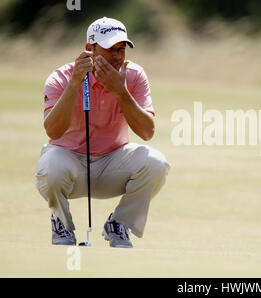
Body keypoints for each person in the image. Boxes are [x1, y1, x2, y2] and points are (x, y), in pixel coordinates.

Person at [35, 17, 170, 248]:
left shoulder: (134, 76)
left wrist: (120, 91)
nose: (117, 56)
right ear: (90, 49)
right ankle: (62, 224)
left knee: (156, 163)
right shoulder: (61, 77)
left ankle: (119, 223)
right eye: (110, 49)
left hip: (112, 164)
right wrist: (75, 83)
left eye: (121, 49)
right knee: (51, 164)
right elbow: (53, 131)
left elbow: (147, 132)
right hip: (70, 164)